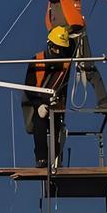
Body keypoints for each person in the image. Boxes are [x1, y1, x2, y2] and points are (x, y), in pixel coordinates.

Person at [15, 0, 107, 110]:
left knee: (87, 68)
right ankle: (56, 105)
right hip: (59, 37)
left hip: (75, 35)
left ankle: (103, 102)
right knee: (58, 69)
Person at [20, 26, 73, 169]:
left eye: (61, 49)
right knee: (40, 122)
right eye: (56, 48)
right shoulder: (36, 60)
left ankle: (56, 159)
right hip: (35, 101)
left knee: (56, 125)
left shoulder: (65, 63)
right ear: (50, 45)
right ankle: (41, 158)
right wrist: (39, 105)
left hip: (53, 102)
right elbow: (29, 88)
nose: (58, 52)